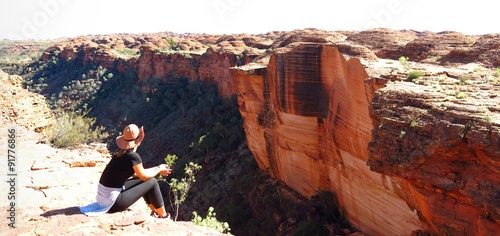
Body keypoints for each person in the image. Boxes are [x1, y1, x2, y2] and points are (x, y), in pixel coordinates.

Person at [79, 124, 172, 218]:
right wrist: (159, 169)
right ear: (138, 139)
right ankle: (163, 216)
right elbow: (143, 176)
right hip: (114, 202)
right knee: (152, 182)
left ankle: (155, 212)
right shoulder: (133, 157)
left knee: (147, 181)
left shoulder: (120, 154)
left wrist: (157, 168)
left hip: (103, 199)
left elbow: (138, 174)